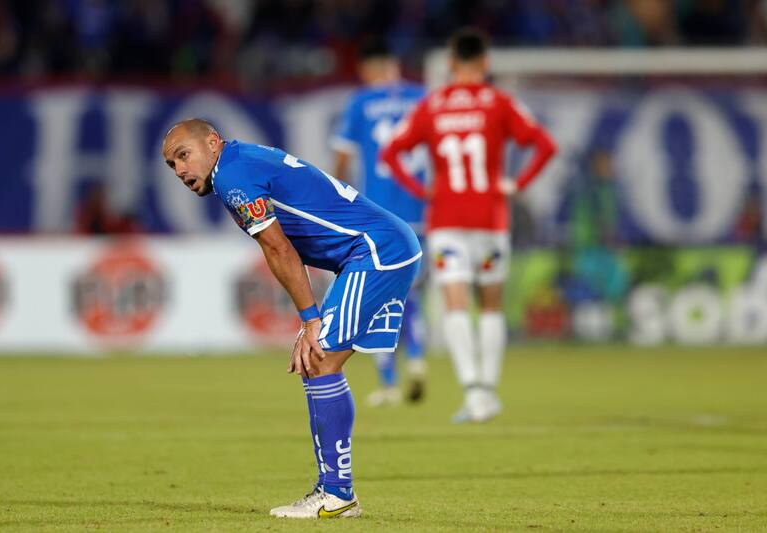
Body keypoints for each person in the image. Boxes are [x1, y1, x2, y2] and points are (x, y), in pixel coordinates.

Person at [162, 119, 421, 518]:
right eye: (171, 165)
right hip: (377, 248)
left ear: (212, 142)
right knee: (320, 363)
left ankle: (337, 494)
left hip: (375, 251)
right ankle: (335, 490)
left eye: (184, 155)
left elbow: (279, 250)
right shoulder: (239, 161)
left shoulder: (232, 175)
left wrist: (309, 320)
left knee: (319, 360)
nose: (180, 170)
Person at [380, 28, 557, 423]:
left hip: (446, 221)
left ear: (450, 63)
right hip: (490, 220)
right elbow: (547, 146)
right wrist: (517, 185)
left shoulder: (433, 105)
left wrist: (421, 190)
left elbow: (390, 152)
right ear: (485, 62)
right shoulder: (499, 102)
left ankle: (473, 393)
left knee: (455, 303)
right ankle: (488, 393)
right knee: (490, 306)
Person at [332, 37, 427, 406]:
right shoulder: (422, 98)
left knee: (377, 294)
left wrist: (337, 200)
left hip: (380, 214)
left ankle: (388, 383)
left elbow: (343, 156)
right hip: (421, 209)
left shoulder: (361, 102)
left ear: (368, 69)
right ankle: (416, 357)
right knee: (411, 292)